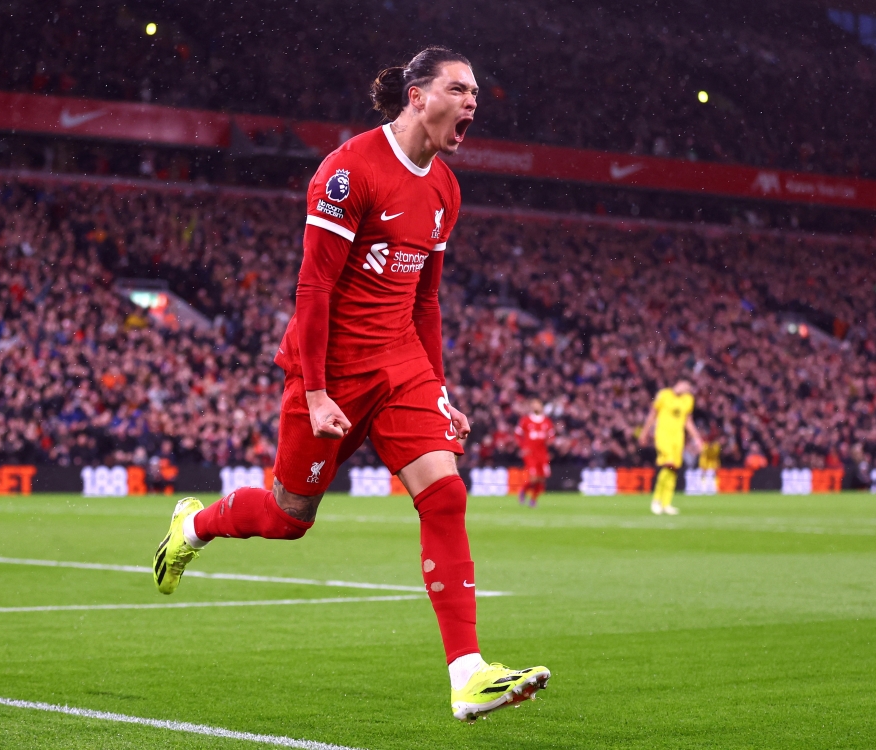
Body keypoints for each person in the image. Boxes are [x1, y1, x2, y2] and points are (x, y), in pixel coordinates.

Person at [151, 47, 549, 722]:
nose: (473, 101)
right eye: (460, 88)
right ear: (417, 95)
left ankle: (468, 674)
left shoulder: (446, 188)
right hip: (330, 372)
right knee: (287, 517)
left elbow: (427, 302)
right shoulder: (348, 171)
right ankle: (195, 524)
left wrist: (442, 392)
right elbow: (314, 285)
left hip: (401, 366)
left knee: (445, 494)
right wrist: (315, 390)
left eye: (477, 91)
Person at [638, 380, 704, 515]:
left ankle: (666, 503)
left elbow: (688, 421)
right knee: (669, 464)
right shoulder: (664, 395)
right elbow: (652, 415)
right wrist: (644, 433)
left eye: (687, 388)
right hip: (663, 435)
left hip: (678, 438)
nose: (684, 389)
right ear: (677, 384)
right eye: (683, 386)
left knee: (673, 470)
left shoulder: (688, 400)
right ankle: (656, 500)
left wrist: (697, 438)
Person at [515, 399, 554, 507]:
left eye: (537, 405)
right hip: (530, 453)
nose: (535, 407)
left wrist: (550, 441)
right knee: (534, 477)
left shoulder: (547, 421)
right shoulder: (526, 420)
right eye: (533, 405)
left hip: (542, 453)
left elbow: (551, 435)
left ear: (541, 406)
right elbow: (517, 435)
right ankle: (522, 491)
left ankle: (533, 499)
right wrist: (523, 447)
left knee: (542, 478)